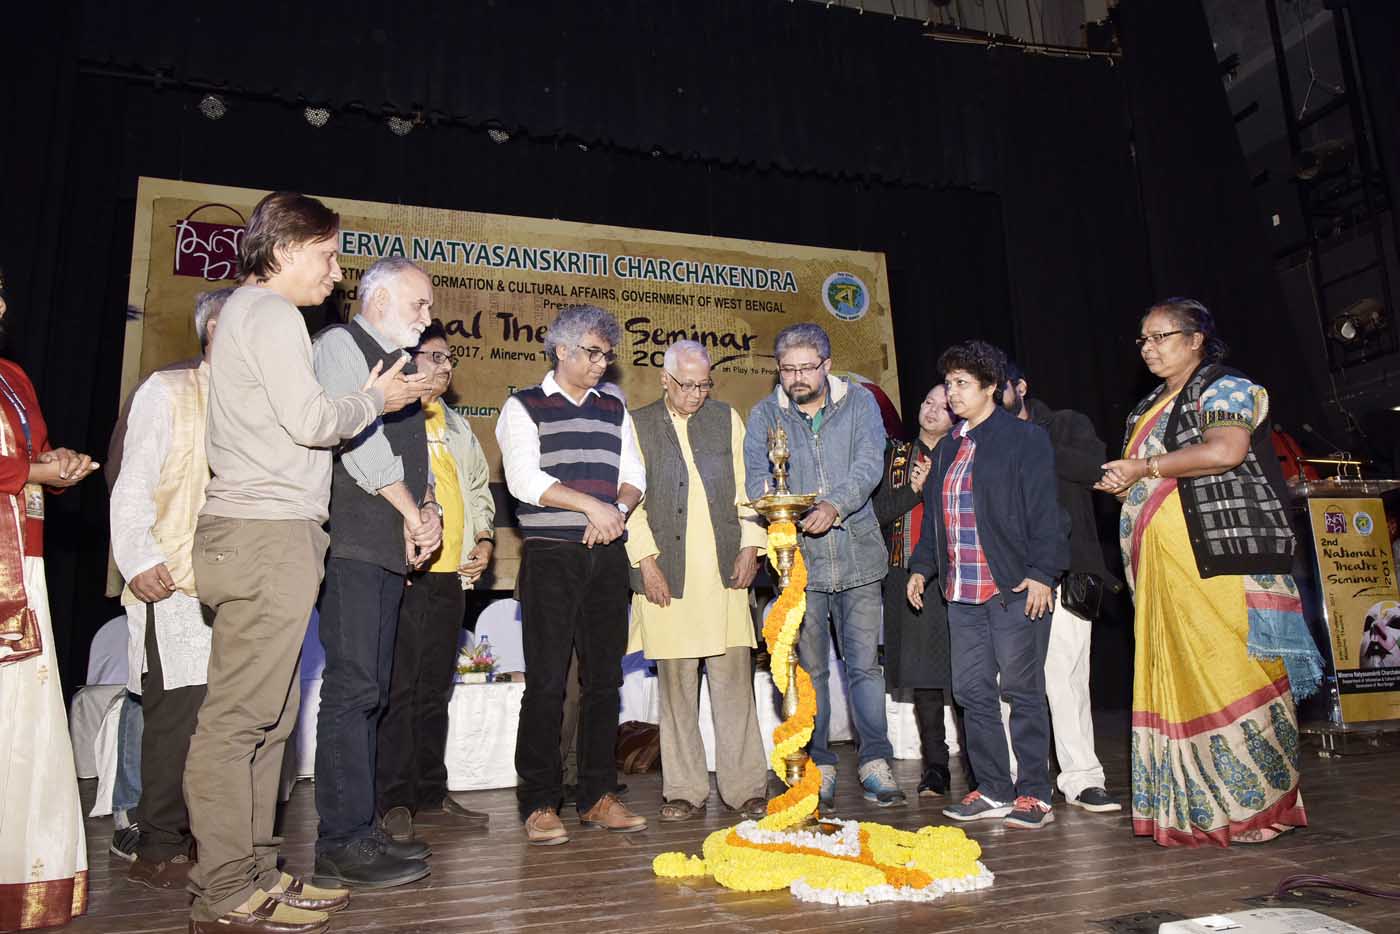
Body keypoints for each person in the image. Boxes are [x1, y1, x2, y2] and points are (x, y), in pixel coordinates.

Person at [184, 191, 422, 934]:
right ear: (285, 250)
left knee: (271, 716)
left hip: (272, 533)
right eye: (327, 254)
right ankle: (224, 888)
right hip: (263, 533)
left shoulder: (254, 316)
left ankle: (258, 872)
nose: (336, 271)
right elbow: (314, 421)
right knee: (238, 722)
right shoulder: (271, 313)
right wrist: (374, 400)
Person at [1097, 298, 1322, 847]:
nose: (1148, 348)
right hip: (1167, 573)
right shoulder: (1149, 405)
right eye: (1143, 339)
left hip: (1222, 565)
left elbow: (1225, 451)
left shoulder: (1225, 387)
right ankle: (1194, 809)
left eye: (1161, 336)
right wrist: (1127, 485)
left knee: (1236, 674)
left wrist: (1144, 467)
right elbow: (1152, 477)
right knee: (1179, 677)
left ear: (1196, 338)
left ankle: (1258, 811)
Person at [310, 256, 441, 888]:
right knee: (353, 689)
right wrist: (412, 513)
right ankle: (339, 841)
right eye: (419, 304)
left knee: (374, 692)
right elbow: (360, 447)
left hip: (388, 548)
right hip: (353, 546)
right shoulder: (341, 344)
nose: (427, 317)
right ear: (380, 299)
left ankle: (361, 829)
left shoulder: (403, 366)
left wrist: (429, 513)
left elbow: (415, 458)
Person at [495, 304, 648, 845]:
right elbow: (522, 479)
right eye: (592, 353)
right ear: (561, 350)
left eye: (607, 355)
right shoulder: (523, 406)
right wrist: (592, 506)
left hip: (606, 554)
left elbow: (634, 475)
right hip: (551, 555)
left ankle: (597, 795)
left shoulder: (614, 408)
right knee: (547, 680)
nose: (602, 363)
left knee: (605, 681)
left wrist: (616, 513)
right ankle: (539, 800)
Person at [907, 340, 1068, 830]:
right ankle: (994, 788)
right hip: (962, 592)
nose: (951, 393)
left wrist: (1042, 574)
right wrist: (921, 568)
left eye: (962, 383)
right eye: (948, 383)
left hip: (1011, 587)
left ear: (991, 387)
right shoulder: (949, 446)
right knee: (972, 692)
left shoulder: (1024, 439)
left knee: (1021, 690)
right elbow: (938, 520)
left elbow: (1046, 512)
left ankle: (1034, 792)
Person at [743, 322, 901, 810]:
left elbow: (870, 465)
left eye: (806, 368)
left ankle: (875, 761)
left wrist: (834, 505)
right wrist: (781, 507)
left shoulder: (860, 404)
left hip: (858, 557)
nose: (797, 378)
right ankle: (820, 765)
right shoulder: (765, 414)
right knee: (809, 671)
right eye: (787, 369)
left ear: (827, 366)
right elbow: (755, 479)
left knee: (864, 668)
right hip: (799, 567)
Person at [109, 287, 232, 890]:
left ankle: (222, 843)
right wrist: (138, 558)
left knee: (233, 720)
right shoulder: (169, 389)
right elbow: (131, 481)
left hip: (242, 582)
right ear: (215, 331)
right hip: (175, 578)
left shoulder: (264, 401)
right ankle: (159, 845)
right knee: (177, 715)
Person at [625, 340, 769, 823]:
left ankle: (746, 789)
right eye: (686, 385)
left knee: (735, 689)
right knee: (677, 693)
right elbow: (630, 504)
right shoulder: (637, 424)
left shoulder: (726, 418)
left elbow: (750, 488)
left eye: (704, 385)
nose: (696, 394)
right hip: (667, 577)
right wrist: (645, 562)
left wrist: (751, 545)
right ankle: (684, 790)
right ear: (665, 380)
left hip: (725, 575)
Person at [0, 269, 99, 930]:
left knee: (21, 721)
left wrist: (57, 467)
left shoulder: (13, 375)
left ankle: (20, 878)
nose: (3, 303)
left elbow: (30, 455)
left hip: (23, 566)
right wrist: (30, 469)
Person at [377, 322, 495, 842]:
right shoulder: (392, 418)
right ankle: (393, 799)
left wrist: (483, 540)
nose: (446, 367)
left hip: (451, 578)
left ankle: (429, 790)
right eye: (436, 357)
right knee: (399, 689)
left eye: (450, 359)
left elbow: (477, 489)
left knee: (434, 690)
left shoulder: (458, 425)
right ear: (408, 359)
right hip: (406, 573)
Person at [999, 360, 1122, 813]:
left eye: (998, 387)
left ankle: (1082, 778)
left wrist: (1030, 441)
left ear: (1020, 387)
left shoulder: (1065, 424)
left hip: (1067, 572)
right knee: (1009, 683)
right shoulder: (982, 438)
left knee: (1066, 677)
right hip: (1008, 576)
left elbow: (1095, 469)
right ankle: (1019, 777)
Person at [872, 383, 968, 798]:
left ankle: (980, 767)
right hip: (905, 574)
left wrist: (933, 485)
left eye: (942, 407)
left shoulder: (963, 453)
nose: (931, 410)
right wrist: (914, 490)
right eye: (927, 401)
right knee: (925, 677)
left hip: (959, 574)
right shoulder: (893, 456)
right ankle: (936, 767)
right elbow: (875, 513)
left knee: (967, 675)